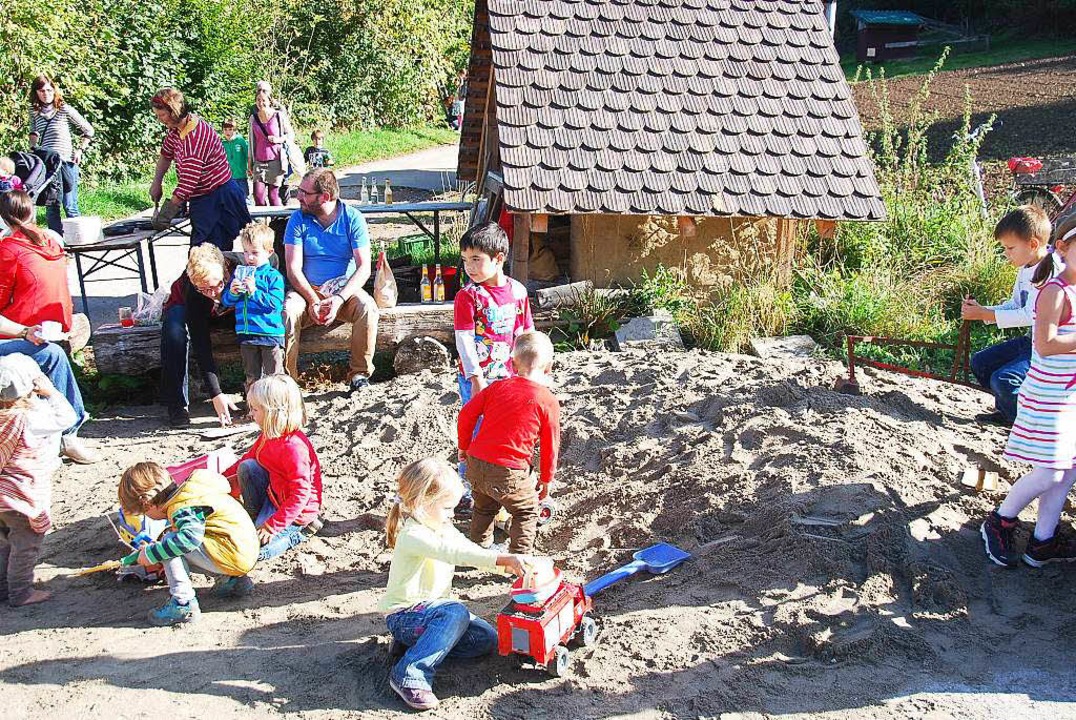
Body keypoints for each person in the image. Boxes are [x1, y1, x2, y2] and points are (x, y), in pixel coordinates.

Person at [381, 457, 533, 711]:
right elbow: (455, 553)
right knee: (455, 612)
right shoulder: (415, 534)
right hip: (405, 615)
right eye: (447, 508)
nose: (452, 514)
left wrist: (503, 561)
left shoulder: (440, 525)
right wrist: (501, 558)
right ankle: (410, 673)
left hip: (429, 613)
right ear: (421, 503)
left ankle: (417, 644)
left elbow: (465, 547)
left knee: (485, 640)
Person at [982, 225, 1076, 568]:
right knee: (1051, 471)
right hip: (1050, 393)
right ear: (1063, 248)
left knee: (1066, 471)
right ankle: (1000, 520)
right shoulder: (1055, 290)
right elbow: (1045, 344)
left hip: (1071, 393)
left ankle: (1043, 541)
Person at [0, 190, 98, 463]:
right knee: (51, 354)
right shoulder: (49, 241)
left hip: (28, 330)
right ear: (32, 212)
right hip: (44, 328)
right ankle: (69, 433)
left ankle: (68, 434)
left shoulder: (11, 249)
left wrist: (22, 331)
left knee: (50, 353)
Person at [118, 461, 260, 625]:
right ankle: (233, 581)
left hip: (233, 554)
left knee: (169, 543)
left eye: (144, 513)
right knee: (173, 540)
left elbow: (189, 540)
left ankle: (182, 604)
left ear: (147, 504)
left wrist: (152, 553)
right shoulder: (193, 492)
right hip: (243, 548)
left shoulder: (182, 507)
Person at [453, 222, 535, 506]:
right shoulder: (468, 296)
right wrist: (475, 376)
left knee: (507, 430)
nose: (470, 267)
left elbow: (525, 334)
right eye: (465, 260)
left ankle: (504, 480)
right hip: (478, 378)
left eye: (476, 259)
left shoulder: (518, 292)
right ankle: (467, 485)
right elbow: (463, 339)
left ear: (498, 258)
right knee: (474, 429)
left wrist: (532, 370)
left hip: (509, 378)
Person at [459, 331, 560, 554]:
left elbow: (466, 415)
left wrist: (464, 446)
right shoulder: (547, 400)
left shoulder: (495, 388)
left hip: (476, 462)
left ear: (512, 364)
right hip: (509, 470)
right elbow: (550, 444)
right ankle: (519, 558)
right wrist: (546, 478)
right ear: (549, 366)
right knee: (525, 511)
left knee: (484, 507)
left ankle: (479, 548)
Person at [283, 168, 379, 392]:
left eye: (304, 192)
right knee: (288, 311)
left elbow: (364, 267)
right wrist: (312, 300)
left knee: (368, 308)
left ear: (324, 197)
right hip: (307, 290)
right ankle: (288, 380)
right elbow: (293, 268)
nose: (299, 197)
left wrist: (338, 299)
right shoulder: (297, 219)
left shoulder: (352, 218)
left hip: (341, 290)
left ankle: (359, 374)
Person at [964, 206, 1057, 424]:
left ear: (1033, 244)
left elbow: (1030, 315)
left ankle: (1030, 425)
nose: (1007, 254)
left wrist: (984, 313)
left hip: (1052, 349)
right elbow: (1015, 304)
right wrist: (983, 311)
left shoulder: (1051, 271)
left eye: (1010, 248)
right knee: (981, 363)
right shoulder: (1027, 266)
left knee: (1004, 379)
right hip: (1032, 340)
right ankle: (1008, 412)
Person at [0, 354, 77, 607]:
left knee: (3, 543)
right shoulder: (28, 420)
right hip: (19, 496)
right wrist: (52, 391)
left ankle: (3, 588)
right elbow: (67, 417)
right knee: (25, 544)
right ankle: (20, 592)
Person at [223, 374, 322, 561]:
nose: (251, 414)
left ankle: (300, 532)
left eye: (255, 409)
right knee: (247, 467)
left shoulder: (293, 447)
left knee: (255, 552)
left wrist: (272, 526)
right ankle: (255, 516)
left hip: (295, 512)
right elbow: (246, 460)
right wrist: (219, 481)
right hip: (274, 496)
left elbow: (300, 494)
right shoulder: (268, 435)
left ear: (272, 412)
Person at [148, 87, 251, 250]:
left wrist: (167, 212)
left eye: (161, 115)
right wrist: (156, 182)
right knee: (203, 255)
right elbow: (166, 154)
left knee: (209, 255)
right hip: (202, 198)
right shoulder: (176, 130)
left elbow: (188, 183)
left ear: (174, 111)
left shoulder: (195, 136)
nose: (160, 119)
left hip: (219, 198)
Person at [159, 244, 242, 428]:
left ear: (224, 272)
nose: (212, 294)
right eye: (204, 289)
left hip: (227, 310)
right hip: (186, 307)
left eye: (216, 286)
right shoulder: (195, 290)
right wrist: (216, 393)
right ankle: (177, 404)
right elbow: (200, 342)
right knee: (174, 332)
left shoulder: (242, 267)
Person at [220, 223, 285, 389]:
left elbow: (275, 304)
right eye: (246, 252)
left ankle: (278, 407)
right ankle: (252, 409)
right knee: (251, 377)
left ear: (269, 253)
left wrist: (254, 292)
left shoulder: (273, 276)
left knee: (274, 376)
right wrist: (233, 292)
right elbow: (226, 301)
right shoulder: (239, 273)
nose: (249, 258)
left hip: (269, 334)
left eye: (255, 253)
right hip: (247, 334)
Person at [28, 75, 94, 236]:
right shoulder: (34, 111)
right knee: (52, 206)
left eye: (49, 90)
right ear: (36, 92)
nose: (46, 94)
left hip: (66, 161)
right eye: (42, 90)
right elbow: (33, 131)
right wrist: (33, 146)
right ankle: (56, 244)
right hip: (48, 164)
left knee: (70, 204)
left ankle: (78, 241)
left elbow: (89, 130)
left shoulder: (63, 109)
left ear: (54, 90)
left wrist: (80, 150)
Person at [249, 81, 295, 207]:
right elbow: (252, 140)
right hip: (259, 161)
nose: (261, 103)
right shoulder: (253, 118)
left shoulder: (279, 115)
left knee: (273, 196)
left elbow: (291, 135)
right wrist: (250, 162)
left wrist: (278, 139)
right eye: (258, 100)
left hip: (276, 160)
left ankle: (278, 223)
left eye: (263, 100)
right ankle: (263, 224)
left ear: (269, 100)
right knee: (258, 196)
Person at [221, 118, 250, 199]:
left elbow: (248, 155)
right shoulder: (222, 144)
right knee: (230, 200)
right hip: (228, 178)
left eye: (230, 129)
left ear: (235, 130)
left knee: (244, 199)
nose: (228, 132)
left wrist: (250, 168)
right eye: (225, 129)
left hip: (241, 176)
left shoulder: (240, 141)